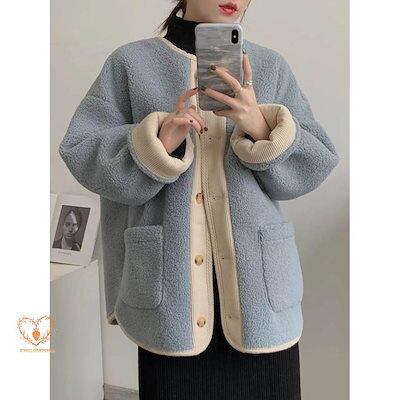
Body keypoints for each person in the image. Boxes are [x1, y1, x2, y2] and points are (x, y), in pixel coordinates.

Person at [59, 0, 339, 398]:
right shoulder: (130, 64)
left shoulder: (270, 66)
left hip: (261, 299)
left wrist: (261, 127)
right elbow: (81, 151)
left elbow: (316, 161)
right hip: (170, 300)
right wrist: (157, 142)